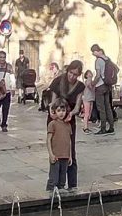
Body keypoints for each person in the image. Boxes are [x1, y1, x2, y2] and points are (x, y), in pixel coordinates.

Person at [45, 61, 84, 191]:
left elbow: (77, 107)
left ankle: (72, 184)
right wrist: (53, 113)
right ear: (68, 70)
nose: (72, 77)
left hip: (69, 119)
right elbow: (53, 102)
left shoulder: (79, 86)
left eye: (76, 75)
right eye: (71, 73)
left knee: (70, 149)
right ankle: (53, 183)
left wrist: (71, 114)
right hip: (55, 117)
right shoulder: (58, 81)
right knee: (56, 149)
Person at [46, 101, 74, 193]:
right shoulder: (52, 124)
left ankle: (61, 195)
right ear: (54, 111)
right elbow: (48, 140)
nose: (61, 113)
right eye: (59, 110)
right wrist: (51, 154)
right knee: (53, 178)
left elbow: (69, 141)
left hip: (65, 156)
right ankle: (49, 194)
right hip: (56, 156)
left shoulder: (68, 125)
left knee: (62, 179)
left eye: (63, 110)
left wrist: (70, 155)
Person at [90, 44, 117, 135]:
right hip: (107, 85)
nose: (93, 54)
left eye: (93, 52)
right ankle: (112, 127)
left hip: (100, 86)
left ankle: (103, 128)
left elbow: (98, 75)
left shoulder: (98, 60)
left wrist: (93, 83)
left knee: (101, 108)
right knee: (108, 107)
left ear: (95, 51)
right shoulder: (107, 59)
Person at [0, 51, 15, 132]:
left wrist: (13, 88)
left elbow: (12, 78)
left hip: (6, 91)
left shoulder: (9, 67)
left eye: (4, 57)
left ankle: (4, 124)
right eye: (1, 57)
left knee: (6, 109)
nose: (2, 59)